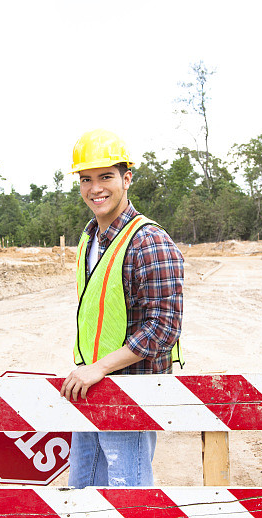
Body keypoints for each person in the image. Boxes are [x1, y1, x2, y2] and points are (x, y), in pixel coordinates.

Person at [59, 129, 184, 488]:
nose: (95, 188)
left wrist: (99, 368)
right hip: (92, 384)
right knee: (84, 496)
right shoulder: (90, 238)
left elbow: (164, 327)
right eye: (86, 179)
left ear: (126, 179)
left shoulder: (149, 241)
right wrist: (90, 370)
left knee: (129, 500)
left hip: (131, 389)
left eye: (106, 177)